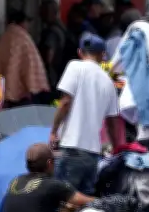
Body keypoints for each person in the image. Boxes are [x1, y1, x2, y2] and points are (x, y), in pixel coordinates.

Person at [50, 32, 120, 195]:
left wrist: (53, 131)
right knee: (84, 203)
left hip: (72, 148)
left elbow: (65, 102)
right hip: (93, 155)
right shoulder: (108, 82)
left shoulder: (75, 66)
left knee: (62, 200)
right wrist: (116, 150)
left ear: (80, 52)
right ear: (103, 55)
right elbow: (112, 123)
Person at [0, 143, 94, 212]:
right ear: (49, 163)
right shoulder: (52, 185)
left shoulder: (15, 182)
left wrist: (66, 211)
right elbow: (86, 201)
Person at [0, 9, 50, 108]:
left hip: (4, 86)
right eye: (26, 22)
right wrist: (31, 85)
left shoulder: (4, 37)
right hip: (22, 91)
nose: (28, 25)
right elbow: (29, 63)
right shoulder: (23, 38)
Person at [37, 0, 70, 90]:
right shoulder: (62, 28)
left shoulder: (52, 32)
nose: (40, 15)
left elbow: (49, 56)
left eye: (42, 12)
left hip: (52, 78)